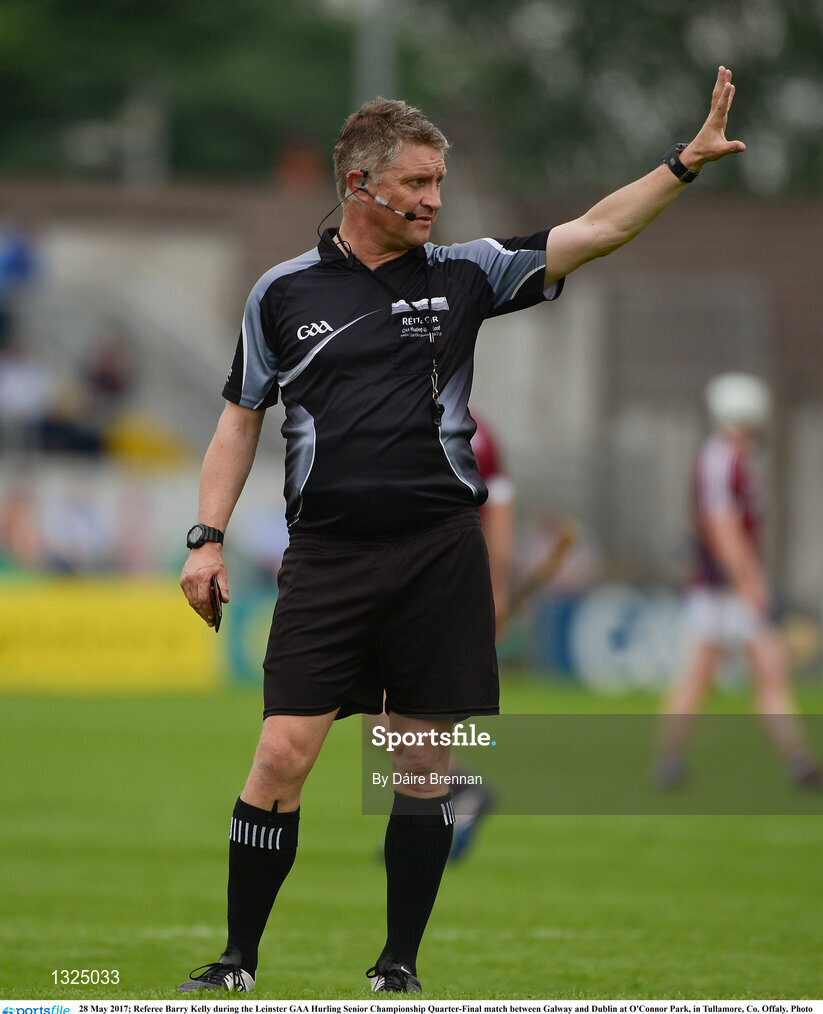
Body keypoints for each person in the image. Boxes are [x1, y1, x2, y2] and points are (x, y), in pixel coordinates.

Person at [178, 69, 745, 995]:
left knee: (423, 760)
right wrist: (205, 537)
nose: (435, 200)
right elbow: (239, 418)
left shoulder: (466, 271)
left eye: (439, 183)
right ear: (361, 184)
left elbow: (595, 232)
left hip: (438, 552)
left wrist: (682, 164)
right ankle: (237, 959)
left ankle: (397, 966)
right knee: (283, 749)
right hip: (325, 556)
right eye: (417, 183)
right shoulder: (279, 292)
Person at [654, 372, 822, 789]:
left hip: (725, 589)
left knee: (738, 674)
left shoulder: (734, 458)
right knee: (740, 674)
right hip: (724, 591)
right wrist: (752, 584)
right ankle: (798, 764)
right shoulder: (722, 458)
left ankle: (797, 763)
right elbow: (723, 529)